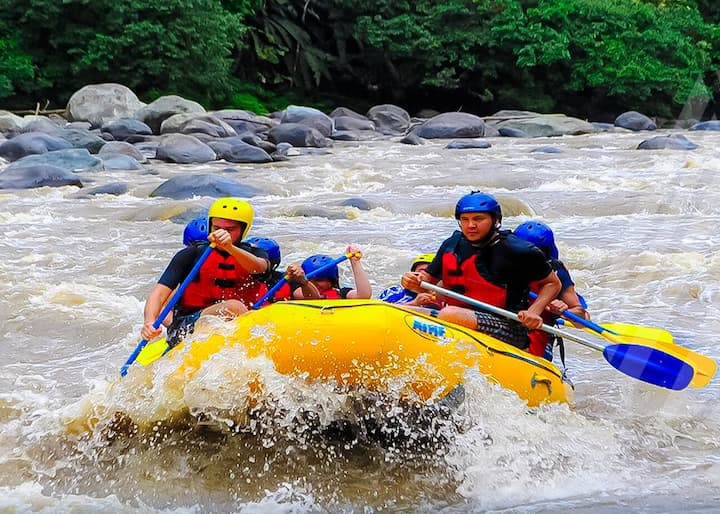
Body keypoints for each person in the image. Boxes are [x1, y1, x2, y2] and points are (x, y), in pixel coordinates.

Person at [401, 192, 561, 350]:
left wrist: (534, 311)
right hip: (455, 317)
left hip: (508, 326)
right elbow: (427, 282)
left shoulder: (520, 250)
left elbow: (553, 284)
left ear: (495, 220)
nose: (471, 225)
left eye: (479, 219)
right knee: (401, 311)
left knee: (450, 314)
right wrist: (413, 280)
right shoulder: (452, 244)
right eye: (465, 219)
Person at [141, 197, 270, 346]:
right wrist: (149, 322)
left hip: (240, 321)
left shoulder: (256, 254)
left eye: (229, 230)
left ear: (242, 231)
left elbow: (259, 268)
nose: (221, 233)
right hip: (186, 327)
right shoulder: (191, 254)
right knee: (233, 307)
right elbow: (158, 294)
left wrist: (229, 247)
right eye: (216, 228)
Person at [514, 220, 589, 360]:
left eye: (537, 253)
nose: (530, 258)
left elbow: (582, 319)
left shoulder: (557, 272)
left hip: (540, 333)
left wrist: (563, 312)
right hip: (507, 324)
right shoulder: (500, 263)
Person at [292, 245, 372, 299]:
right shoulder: (299, 291)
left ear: (331, 281)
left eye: (319, 280)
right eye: (309, 279)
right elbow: (311, 296)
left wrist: (355, 262)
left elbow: (364, 295)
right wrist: (303, 280)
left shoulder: (342, 293)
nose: (312, 283)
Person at [377, 253, 442, 308]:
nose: (423, 276)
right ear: (412, 273)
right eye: (421, 272)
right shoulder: (394, 291)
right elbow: (379, 309)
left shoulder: (440, 299)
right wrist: (414, 303)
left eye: (431, 274)